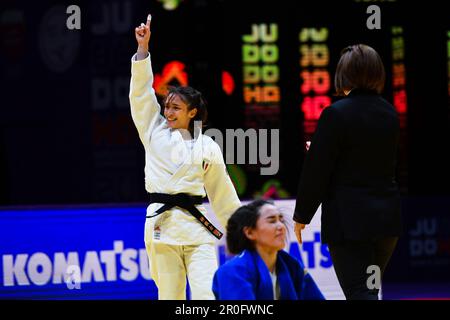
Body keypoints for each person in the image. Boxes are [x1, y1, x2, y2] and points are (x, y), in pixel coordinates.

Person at [129, 14, 241, 300]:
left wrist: (242, 233)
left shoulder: (207, 146)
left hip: (197, 230)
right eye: (167, 106)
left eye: (176, 108)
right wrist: (143, 50)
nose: (168, 112)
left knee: (206, 295)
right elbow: (141, 95)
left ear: (193, 113)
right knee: (170, 297)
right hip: (160, 228)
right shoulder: (153, 131)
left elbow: (223, 195)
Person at [293, 44, 402, 300]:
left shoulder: (335, 114)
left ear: (343, 74)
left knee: (359, 293)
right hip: (387, 222)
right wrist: (324, 148)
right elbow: (369, 159)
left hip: (350, 221)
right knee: (368, 291)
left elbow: (317, 170)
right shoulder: (390, 112)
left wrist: (302, 215)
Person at [212, 200, 325, 300]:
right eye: (272, 221)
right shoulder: (232, 272)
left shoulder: (292, 266)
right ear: (250, 232)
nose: (281, 226)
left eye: (281, 220)